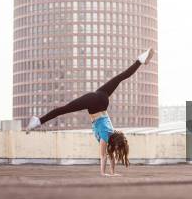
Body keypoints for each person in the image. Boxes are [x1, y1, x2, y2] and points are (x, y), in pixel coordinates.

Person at [26, 48, 154, 176]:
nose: (115, 150)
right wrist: (104, 174)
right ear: (113, 142)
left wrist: (113, 173)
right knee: (64, 109)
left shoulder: (111, 132)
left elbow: (111, 156)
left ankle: (139, 60)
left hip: (103, 97)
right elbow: (103, 156)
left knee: (120, 77)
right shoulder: (105, 137)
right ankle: (38, 121)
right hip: (94, 103)